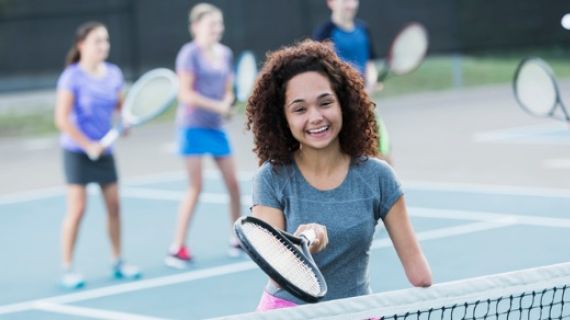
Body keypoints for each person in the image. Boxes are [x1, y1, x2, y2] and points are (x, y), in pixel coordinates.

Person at [245, 39, 432, 310]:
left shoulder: (379, 176)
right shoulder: (271, 178)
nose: (316, 117)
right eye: (300, 109)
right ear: (282, 118)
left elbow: (420, 275)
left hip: (357, 312)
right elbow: (277, 271)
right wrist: (302, 245)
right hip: (288, 314)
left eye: (325, 103)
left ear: (343, 103)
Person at [55, 21, 141, 289]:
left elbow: (120, 108)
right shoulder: (71, 76)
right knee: (78, 209)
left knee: (114, 206)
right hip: (76, 151)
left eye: (106, 41)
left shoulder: (113, 74)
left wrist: (123, 123)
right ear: (82, 45)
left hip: (105, 150)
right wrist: (87, 144)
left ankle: (117, 261)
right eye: (97, 41)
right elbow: (61, 119)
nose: (103, 46)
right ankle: (67, 267)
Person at [165, 3, 242, 269]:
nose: (216, 29)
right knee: (195, 187)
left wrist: (228, 103)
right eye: (211, 24)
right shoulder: (189, 54)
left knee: (233, 184)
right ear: (196, 26)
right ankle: (177, 247)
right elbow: (185, 94)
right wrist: (217, 106)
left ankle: (238, 238)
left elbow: (228, 89)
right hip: (192, 126)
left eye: (219, 24)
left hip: (216, 127)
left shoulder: (225, 53)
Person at [313, 0, 392, 163]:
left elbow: (369, 63)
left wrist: (371, 81)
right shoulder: (325, 33)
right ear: (331, 3)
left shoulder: (363, 29)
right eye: (344, 1)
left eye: (353, 0)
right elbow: (320, 72)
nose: (350, 5)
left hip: (365, 105)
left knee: (385, 157)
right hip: (340, 110)